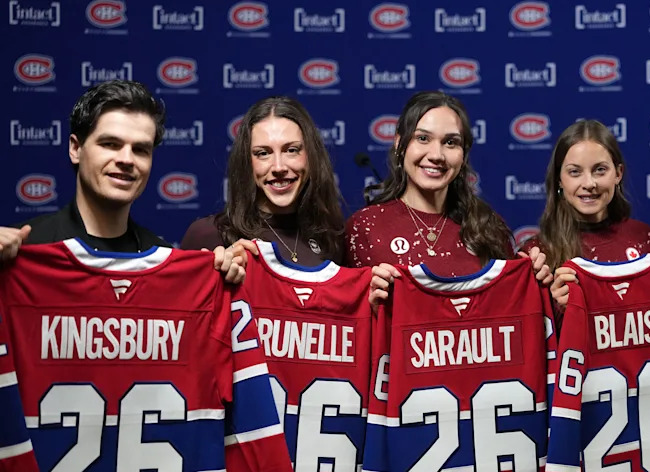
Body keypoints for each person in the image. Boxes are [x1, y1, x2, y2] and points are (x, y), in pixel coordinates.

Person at [0, 80, 242, 281]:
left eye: (140, 149)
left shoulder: (164, 262)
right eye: (110, 145)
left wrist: (218, 279)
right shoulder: (24, 252)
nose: (126, 159)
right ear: (76, 148)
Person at [346, 90, 551, 303]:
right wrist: (370, 309)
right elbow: (345, 322)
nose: (436, 155)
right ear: (400, 143)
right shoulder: (363, 228)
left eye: (450, 142)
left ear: (464, 153)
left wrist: (536, 288)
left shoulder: (488, 227)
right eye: (423, 138)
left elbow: (510, 313)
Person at [531, 119, 650, 310]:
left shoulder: (643, 237)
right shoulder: (538, 254)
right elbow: (527, 333)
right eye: (575, 172)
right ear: (559, 179)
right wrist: (552, 307)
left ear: (618, 173)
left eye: (600, 170)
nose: (589, 183)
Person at [180, 96, 344, 267]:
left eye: (292, 150)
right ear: (246, 162)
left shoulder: (333, 237)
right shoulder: (208, 235)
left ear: (311, 156)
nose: (279, 167)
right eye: (263, 153)